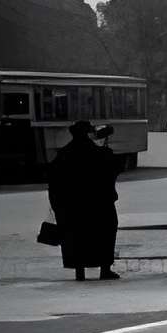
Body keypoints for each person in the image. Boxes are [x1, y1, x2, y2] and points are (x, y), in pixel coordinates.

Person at [48, 120, 120, 282]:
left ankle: (79, 271)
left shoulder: (64, 154)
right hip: (98, 204)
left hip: (72, 206)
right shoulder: (99, 153)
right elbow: (113, 170)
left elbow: (54, 181)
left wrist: (57, 205)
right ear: (88, 133)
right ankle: (104, 269)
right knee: (104, 233)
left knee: (76, 236)